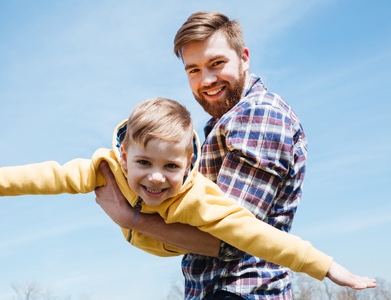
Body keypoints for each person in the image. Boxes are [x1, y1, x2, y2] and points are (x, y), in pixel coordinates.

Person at [0, 98, 375, 294]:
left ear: (188, 165)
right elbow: (44, 176)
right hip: (144, 236)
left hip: (176, 239)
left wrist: (332, 269)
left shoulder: (197, 199)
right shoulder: (103, 169)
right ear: (125, 154)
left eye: (171, 167)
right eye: (144, 163)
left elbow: (263, 237)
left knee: (234, 235)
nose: (155, 178)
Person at [92, 11, 357, 300]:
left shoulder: (258, 114)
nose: (206, 79)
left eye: (216, 64)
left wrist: (131, 219)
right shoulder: (224, 123)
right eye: (193, 70)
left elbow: (230, 239)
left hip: (240, 290)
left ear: (244, 57)